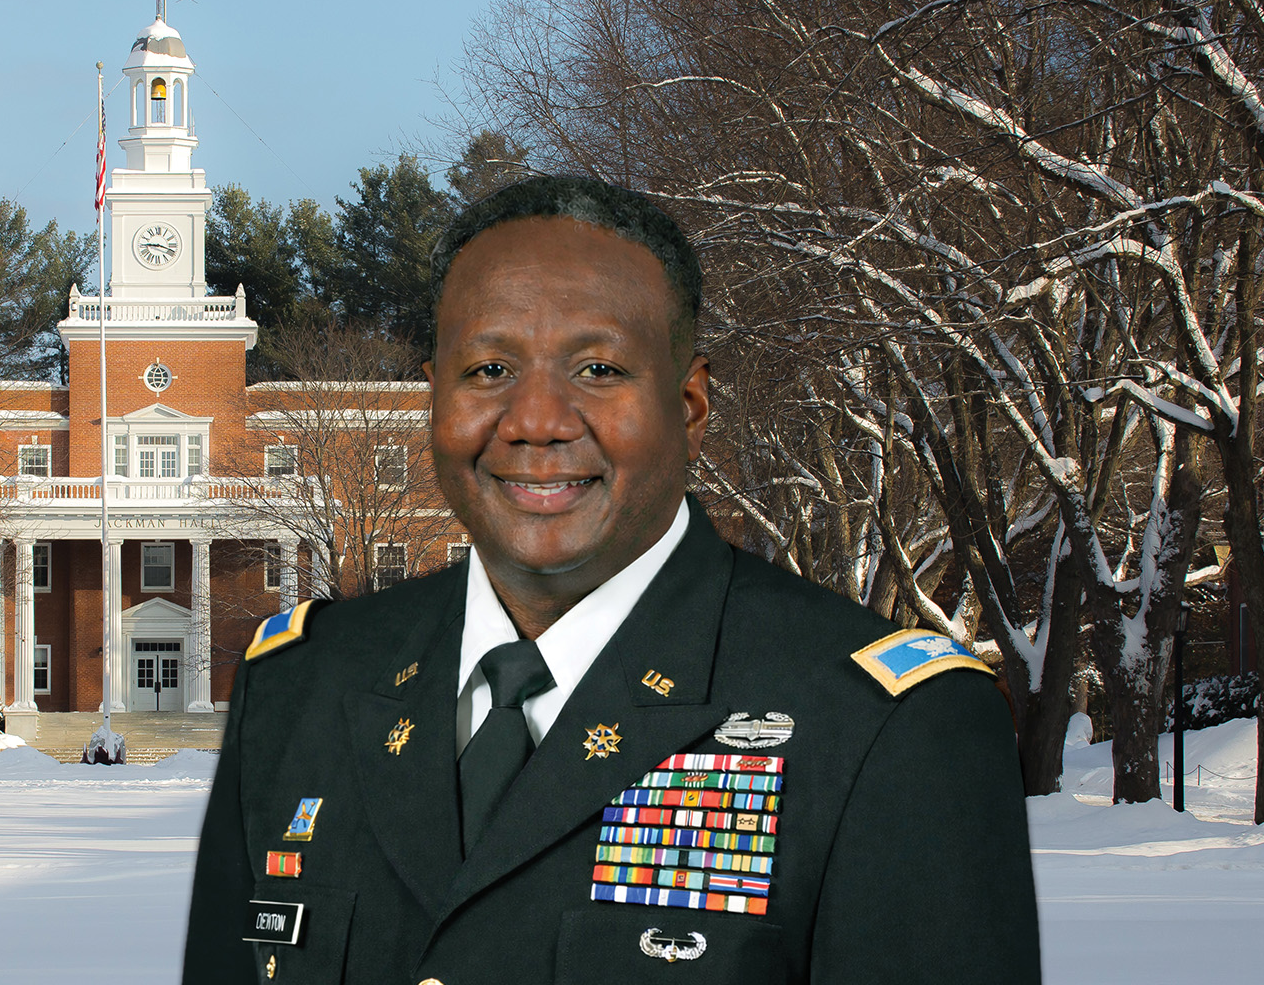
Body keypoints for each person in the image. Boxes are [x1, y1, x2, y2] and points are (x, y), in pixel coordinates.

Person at [184, 176, 1040, 984]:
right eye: (488, 371)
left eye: (599, 370)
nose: (536, 422)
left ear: (691, 407)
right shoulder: (299, 688)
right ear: (434, 400)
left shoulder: (888, 727)